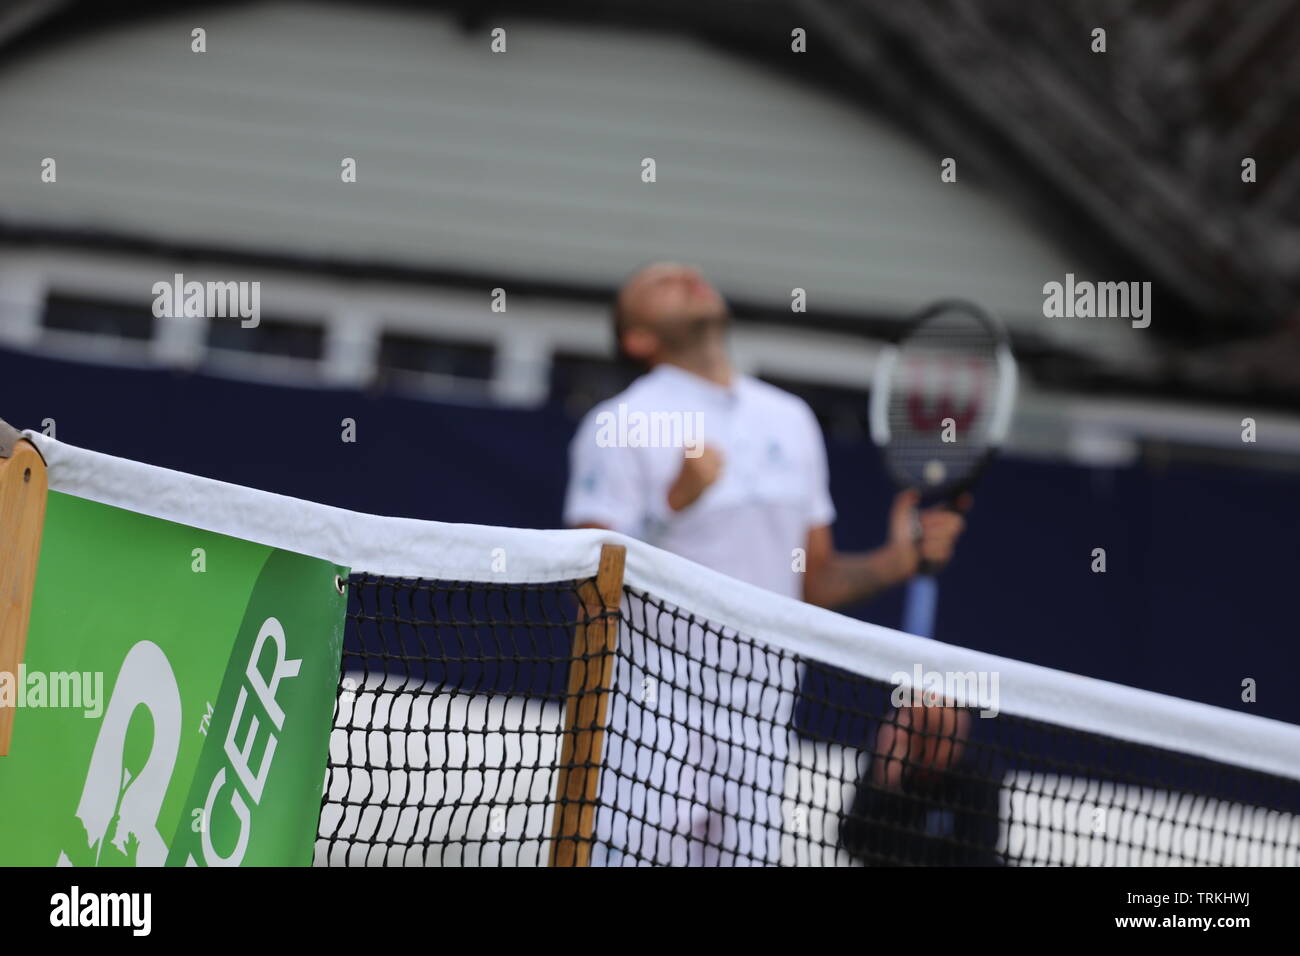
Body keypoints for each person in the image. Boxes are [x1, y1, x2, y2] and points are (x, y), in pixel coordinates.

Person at [563, 262, 966, 864]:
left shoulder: (790, 419)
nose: (685, 277)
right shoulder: (616, 425)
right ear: (637, 338)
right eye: (658, 284)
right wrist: (671, 509)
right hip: (651, 716)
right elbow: (587, 589)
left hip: (762, 722)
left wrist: (896, 561)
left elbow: (814, 581)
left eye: (687, 272)